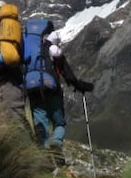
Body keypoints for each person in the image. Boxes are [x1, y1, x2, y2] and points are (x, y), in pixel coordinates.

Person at [28, 30, 94, 165]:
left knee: (41, 123)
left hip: (34, 92)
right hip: (53, 92)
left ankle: (45, 156)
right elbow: (68, 75)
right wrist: (79, 85)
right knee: (59, 123)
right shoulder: (54, 50)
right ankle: (56, 143)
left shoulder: (31, 51)